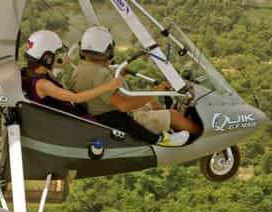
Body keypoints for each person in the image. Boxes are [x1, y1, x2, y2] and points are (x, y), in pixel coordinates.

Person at [70, 26, 200, 147]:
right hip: (118, 120)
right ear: (108, 50)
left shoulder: (79, 69)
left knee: (153, 105)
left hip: (100, 113)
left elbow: (97, 86)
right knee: (173, 115)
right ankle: (201, 135)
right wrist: (156, 91)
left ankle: (171, 127)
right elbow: (124, 105)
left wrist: (120, 74)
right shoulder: (101, 74)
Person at [22, 30, 122, 117]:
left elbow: (49, 66)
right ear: (47, 59)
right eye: (56, 53)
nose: (58, 56)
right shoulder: (43, 84)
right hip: (71, 121)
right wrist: (109, 86)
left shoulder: (31, 72)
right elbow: (76, 98)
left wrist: (62, 62)